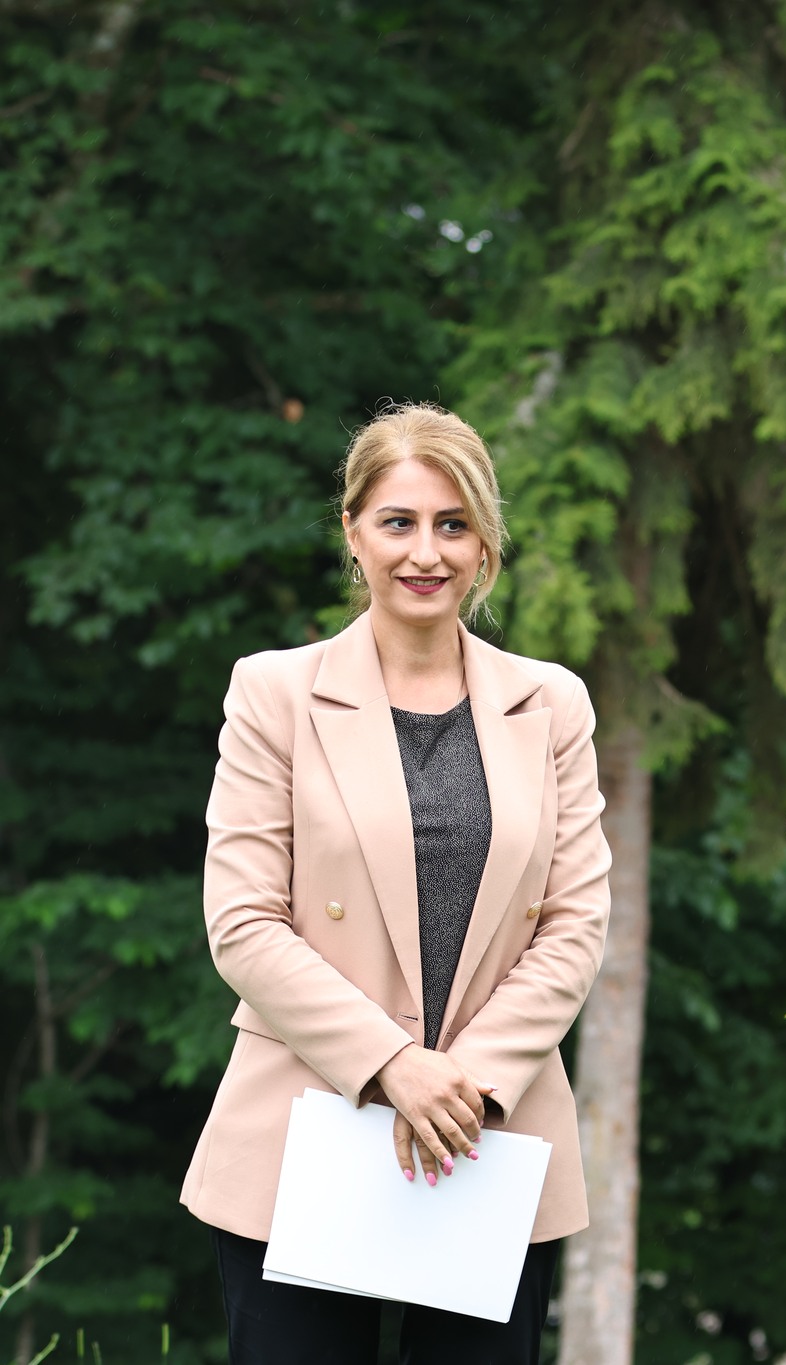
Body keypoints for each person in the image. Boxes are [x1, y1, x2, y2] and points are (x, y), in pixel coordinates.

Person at [181, 404, 610, 1363]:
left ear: (486, 541)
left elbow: (576, 923)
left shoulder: (552, 704)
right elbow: (243, 921)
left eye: (453, 524)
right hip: (302, 1131)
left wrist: (466, 1085)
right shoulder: (274, 692)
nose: (426, 551)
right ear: (353, 531)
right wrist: (391, 1064)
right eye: (399, 522)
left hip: (488, 1136)